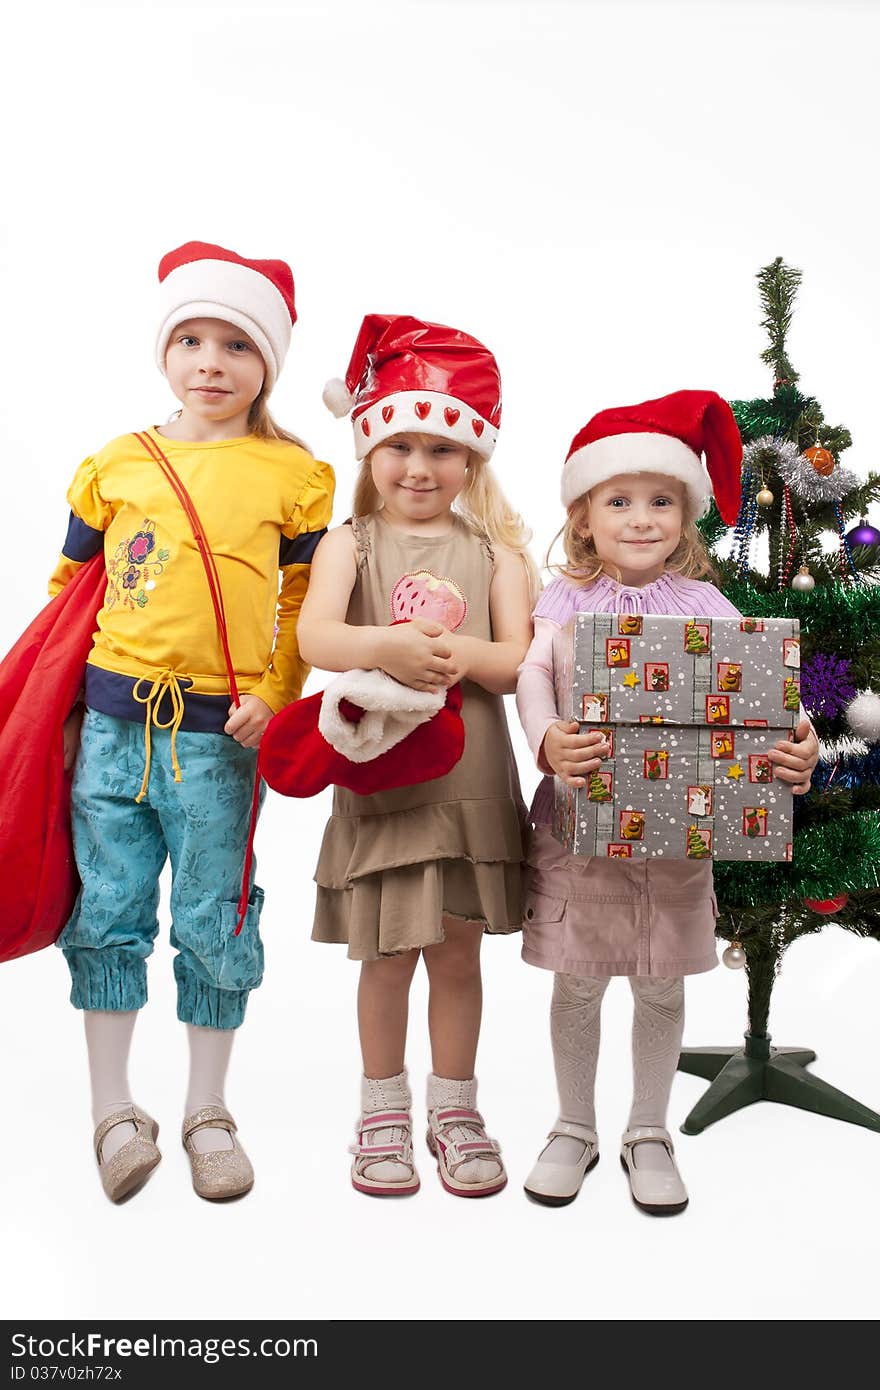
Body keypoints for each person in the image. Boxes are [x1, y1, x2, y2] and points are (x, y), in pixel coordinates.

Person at [50, 241, 334, 1201]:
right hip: (108, 729)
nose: (211, 362)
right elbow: (67, 597)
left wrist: (278, 689)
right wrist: (53, 714)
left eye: (236, 346)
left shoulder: (294, 476)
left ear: (268, 365)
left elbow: (301, 603)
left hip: (220, 737)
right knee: (107, 913)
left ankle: (207, 1110)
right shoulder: (116, 464)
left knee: (214, 917)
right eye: (190, 340)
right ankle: (111, 1111)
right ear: (164, 352)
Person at [516, 390, 818, 1213]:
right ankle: (573, 1126)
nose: (641, 517)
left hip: (679, 836)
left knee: (659, 984)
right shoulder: (564, 600)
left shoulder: (707, 607)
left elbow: (761, 687)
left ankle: (647, 1131)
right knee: (577, 981)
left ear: (686, 518)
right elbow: (533, 674)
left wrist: (801, 733)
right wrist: (546, 739)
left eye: (661, 501)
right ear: (584, 518)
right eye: (619, 500)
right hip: (581, 823)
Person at [297, 314, 535, 1197]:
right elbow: (318, 639)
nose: (418, 468)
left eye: (441, 449)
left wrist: (455, 657)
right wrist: (387, 647)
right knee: (387, 955)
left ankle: (456, 1110)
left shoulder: (496, 552)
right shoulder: (348, 543)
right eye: (397, 445)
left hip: (468, 782)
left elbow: (514, 662)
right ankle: (381, 1109)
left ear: (472, 461)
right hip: (385, 782)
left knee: (460, 956)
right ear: (369, 453)